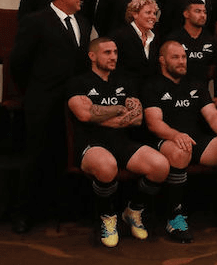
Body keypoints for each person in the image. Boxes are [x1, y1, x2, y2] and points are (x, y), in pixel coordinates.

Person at [143, 41, 217, 241]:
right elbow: (153, 123)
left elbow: (212, 114)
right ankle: (174, 215)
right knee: (180, 151)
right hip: (165, 140)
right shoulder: (152, 85)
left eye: (183, 57)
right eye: (176, 57)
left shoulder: (195, 83)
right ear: (162, 60)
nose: (182, 61)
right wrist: (175, 135)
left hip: (196, 139)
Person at [66, 38, 170, 247]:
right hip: (90, 143)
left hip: (121, 142)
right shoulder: (78, 82)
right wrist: (118, 110)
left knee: (160, 166)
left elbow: (138, 117)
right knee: (107, 166)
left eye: (115, 52)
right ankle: (107, 216)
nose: (113, 56)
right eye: (107, 52)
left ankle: (134, 210)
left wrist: (99, 112)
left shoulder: (125, 81)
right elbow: (84, 115)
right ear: (92, 56)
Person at [10, 0, 91, 233]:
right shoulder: (36, 21)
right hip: (42, 100)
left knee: (62, 155)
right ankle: (24, 214)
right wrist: (33, 91)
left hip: (72, 103)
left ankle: (59, 209)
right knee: (35, 155)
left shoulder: (83, 23)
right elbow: (18, 62)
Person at [166, 0, 217, 86]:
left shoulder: (211, 40)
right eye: (197, 11)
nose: (202, 15)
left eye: (204, 12)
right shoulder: (174, 38)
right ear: (186, 14)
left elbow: (213, 67)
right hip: (177, 88)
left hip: (202, 89)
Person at [111, 0, 160, 89]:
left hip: (150, 90)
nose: (153, 17)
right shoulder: (120, 36)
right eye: (148, 12)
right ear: (135, 14)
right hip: (125, 90)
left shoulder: (155, 38)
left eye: (154, 13)